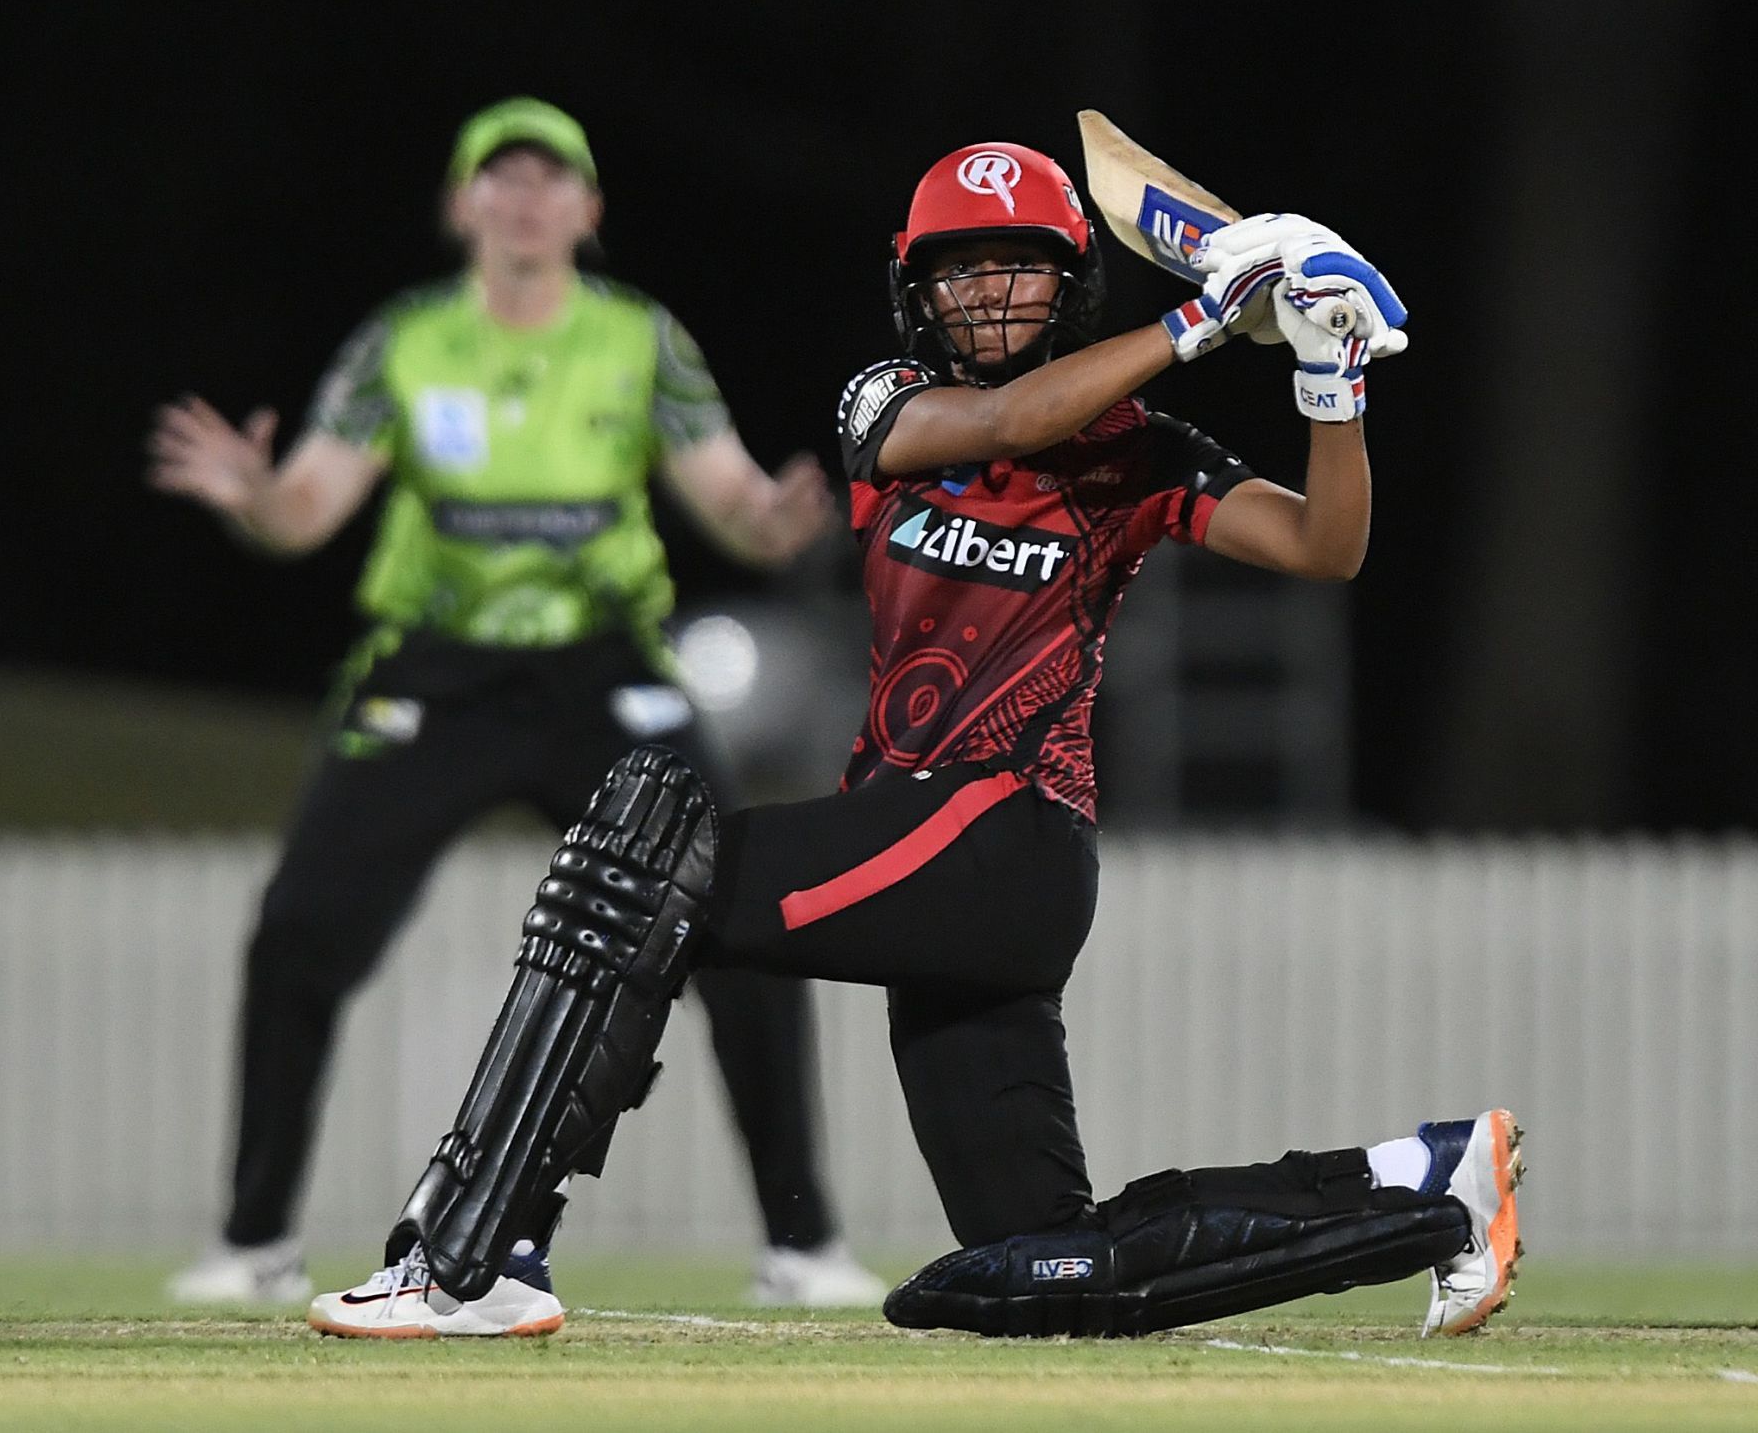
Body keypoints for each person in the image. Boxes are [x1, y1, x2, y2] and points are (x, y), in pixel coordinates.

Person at [304, 141, 1523, 1341]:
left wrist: (1330, 380)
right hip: (934, 848)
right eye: (961, 270)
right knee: (1037, 1263)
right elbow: (1007, 417)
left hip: (1007, 831)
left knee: (639, 867)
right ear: (915, 289)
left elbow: (1327, 546)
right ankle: (1425, 1181)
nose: (990, 293)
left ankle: (472, 1253)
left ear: (1072, 281)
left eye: (1020, 267)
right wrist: (1207, 313)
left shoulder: (1138, 452)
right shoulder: (888, 399)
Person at [147, 96, 886, 1311]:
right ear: (462, 206)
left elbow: (736, 503)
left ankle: (800, 1245)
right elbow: (306, 512)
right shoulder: (406, 342)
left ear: (589, 211)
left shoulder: (639, 339)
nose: (527, 198)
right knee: (297, 931)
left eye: (553, 179)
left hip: (602, 669)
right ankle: (255, 1240)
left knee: (733, 919)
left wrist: (779, 521)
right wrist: (251, 495)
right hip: (435, 668)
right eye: (502, 177)